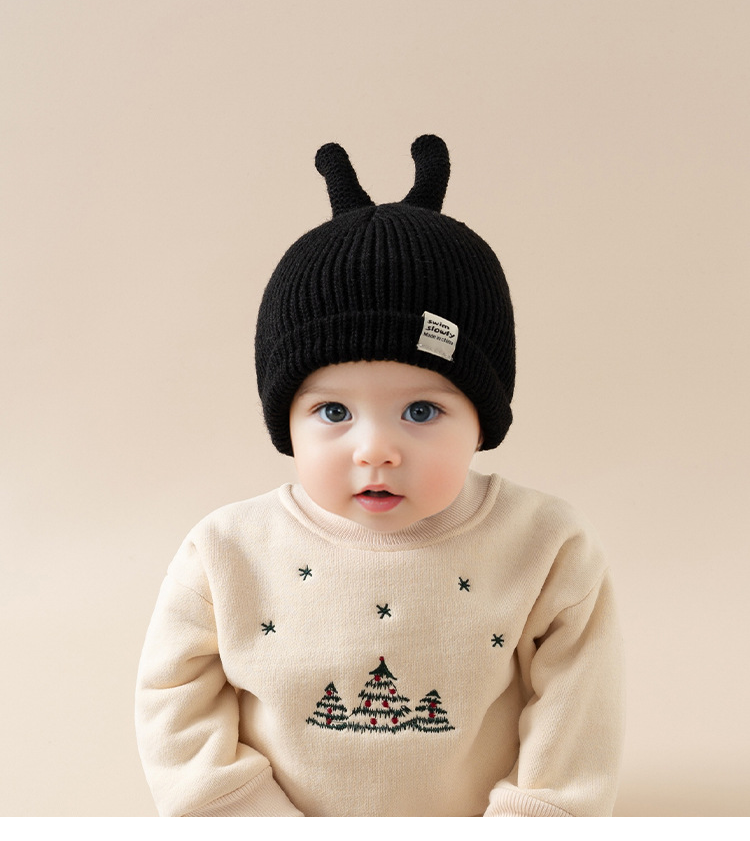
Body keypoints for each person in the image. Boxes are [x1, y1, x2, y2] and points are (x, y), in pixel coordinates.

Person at [135, 135, 625, 817]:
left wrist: (538, 818)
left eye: (421, 410)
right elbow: (174, 701)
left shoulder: (544, 546)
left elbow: (580, 704)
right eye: (333, 411)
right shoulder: (227, 552)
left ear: (482, 420)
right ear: (286, 423)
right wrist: (241, 819)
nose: (376, 450)